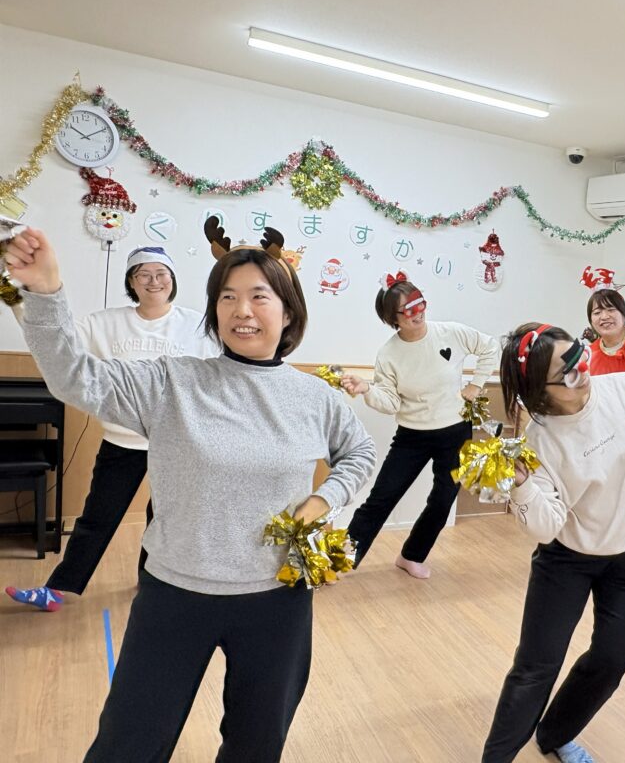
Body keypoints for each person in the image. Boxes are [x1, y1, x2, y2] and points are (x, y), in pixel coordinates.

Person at [4, 226, 376, 762]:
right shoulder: (171, 382)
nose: (241, 310)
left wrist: (325, 499)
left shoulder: (316, 397)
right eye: (227, 297)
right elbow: (74, 378)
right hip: (175, 594)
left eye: (258, 296)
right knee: (127, 744)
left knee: (256, 744)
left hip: (278, 599)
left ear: (289, 312)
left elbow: (359, 452)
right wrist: (44, 292)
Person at [482, 323, 625, 763]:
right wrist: (521, 485)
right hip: (566, 560)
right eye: (568, 371)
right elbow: (546, 527)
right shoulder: (538, 440)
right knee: (535, 668)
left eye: (580, 355)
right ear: (541, 389)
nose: (583, 371)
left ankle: (555, 733)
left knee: (611, 662)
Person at [5, 246, 219, 612]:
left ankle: (152, 586)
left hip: (177, 441)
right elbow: (57, 339)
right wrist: (16, 296)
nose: (153, 281)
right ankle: (57, 590)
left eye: (161, 273)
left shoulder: (198, 326)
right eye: (143, 274)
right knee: (97, 518)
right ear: (131, 282)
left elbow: (221, 370)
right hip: (122, 440)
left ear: (172, 280)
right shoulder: (103, 323)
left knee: (165, 521)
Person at [340, 271, 499, 579]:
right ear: (393, 318)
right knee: (381, 498)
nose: (418, 312)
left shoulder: (450, 332)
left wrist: (476, 385)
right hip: (412, 436)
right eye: (408, 309)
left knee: (442, 499)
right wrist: (367, 389)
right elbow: (391, 402)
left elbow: (489, 347)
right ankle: (340, 562)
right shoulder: (389, 354)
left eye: (420, 303)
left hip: (456, 431)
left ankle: (411, 555)